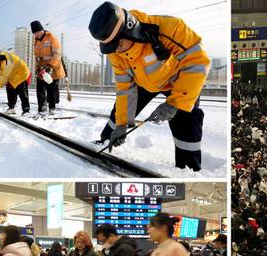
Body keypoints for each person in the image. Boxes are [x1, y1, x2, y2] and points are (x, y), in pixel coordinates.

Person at [88, 2, 210, 171]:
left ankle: (188, 170)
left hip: (177, 81)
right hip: (142, 82)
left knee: (186, 120)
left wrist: (175, 103)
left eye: (119, 45)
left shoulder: (169, 28)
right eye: (112, 48)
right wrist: (122, 124)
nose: (117, 52)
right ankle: (105, 143)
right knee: (117, 117)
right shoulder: (115, 52)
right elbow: (125, 88)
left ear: (131, 30)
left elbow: (198, 62)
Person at [31, 20, 66, 115]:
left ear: (41, 30)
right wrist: (37, 69)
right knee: (40, 89)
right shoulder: (36, 42)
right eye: (34, 33)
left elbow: (57, 55)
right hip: (42, 69)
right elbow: (37, 57)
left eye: (37, 32)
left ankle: (52, 108)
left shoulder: (52, 38)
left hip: (53, 68)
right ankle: (42, 108)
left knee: (51, 89)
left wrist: (50, 66)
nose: (36, 35)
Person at [0, 51, 31, 115]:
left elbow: (4, 77)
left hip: (22, 74)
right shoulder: (0, 60)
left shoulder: (7, 61)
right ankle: (11, 108)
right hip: (13, 76)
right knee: (10, 89)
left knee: (22, 92)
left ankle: (26, 110)